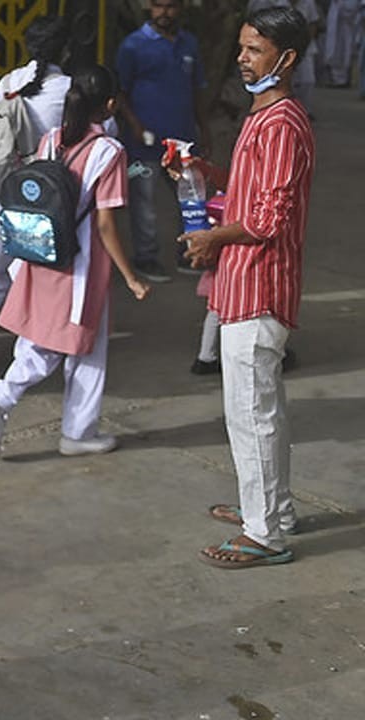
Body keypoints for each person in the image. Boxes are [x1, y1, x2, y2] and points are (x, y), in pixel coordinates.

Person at [177, 8, 314, 569]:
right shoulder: (264, 117)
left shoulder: (282, 122)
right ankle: (272, 513)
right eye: (242, 47)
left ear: (286, 60)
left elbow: (271, 217)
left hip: (259, 288)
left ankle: (266, 534)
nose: (242, 58)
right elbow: (250, 192)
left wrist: (214, 237)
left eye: (254, 50)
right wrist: (208, 173)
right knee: (264, 413)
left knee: (250, 415)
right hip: (242, 287)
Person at [0, 65, 151, 460]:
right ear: (109, 105)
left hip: (42, 254)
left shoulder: (52, 140)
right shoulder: (110, 152)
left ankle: (18, 408)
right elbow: (105, 224)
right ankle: (34, 413)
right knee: (79, 345)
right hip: (82, 267)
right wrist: (131, 276)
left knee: (42, 335)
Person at [0, 16, 77, 359]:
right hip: (46, 192)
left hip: (6, 184)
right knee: (38, 265)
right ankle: (32, 342)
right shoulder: (71, 88)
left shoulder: (11, 81)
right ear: (66, 50)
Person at [115, 0, 210, 282]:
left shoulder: (189, 44)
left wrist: (204, 130)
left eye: (171, 7)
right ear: (148, 7)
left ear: (181, 9)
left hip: (183, 143)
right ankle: (146, 258)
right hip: (143, 146)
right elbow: (120, 93)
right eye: (158, 6)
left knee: (192, 198)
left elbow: (197, 91)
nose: (164, 13)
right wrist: (135, 127)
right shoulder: (132, 46)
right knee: (143, 202)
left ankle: (190, 252)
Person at [324, 0, 360, 86]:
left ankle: (342, 80)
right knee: (335, 54)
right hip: (335, 30)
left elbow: (351, 12)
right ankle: (335, 79)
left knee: (343, 54)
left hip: (346, 30)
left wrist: (340, 5)